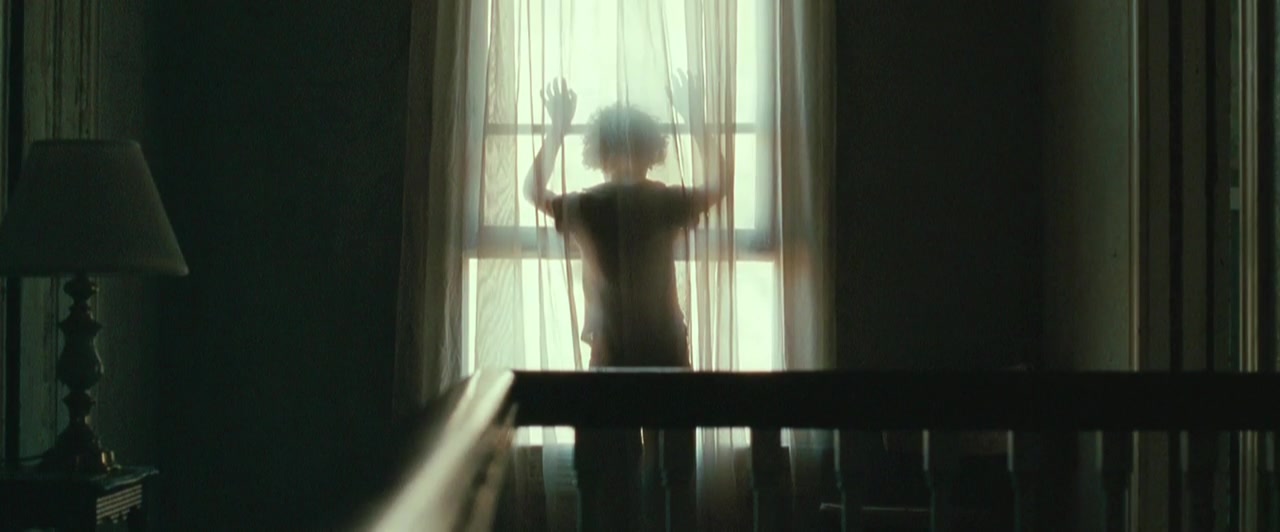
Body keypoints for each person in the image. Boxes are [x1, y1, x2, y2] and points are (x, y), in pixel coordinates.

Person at [521, 75, 726, 531]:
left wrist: (556, 129)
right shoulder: (663, 202)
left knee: (615, 484)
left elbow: (533, 189)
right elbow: (721, 184)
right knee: (671, 480)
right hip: (664, 347)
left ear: (600, 153)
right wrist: (695, 118)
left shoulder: (588, 206)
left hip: (611, 352)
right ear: (652, 151)